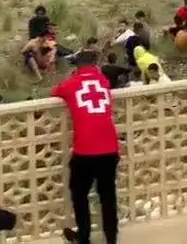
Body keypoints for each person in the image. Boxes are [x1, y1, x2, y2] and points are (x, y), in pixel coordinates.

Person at [51, 50, 120, 244]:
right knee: (108, 197)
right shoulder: (104, 81)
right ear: (95, 65)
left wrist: (71, 77)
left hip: (85, 150)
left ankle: (83, 237)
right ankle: (111, 239)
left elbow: (55, 91)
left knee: (79, 194)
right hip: (110, 148)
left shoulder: (71, 84)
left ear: (77, 66)